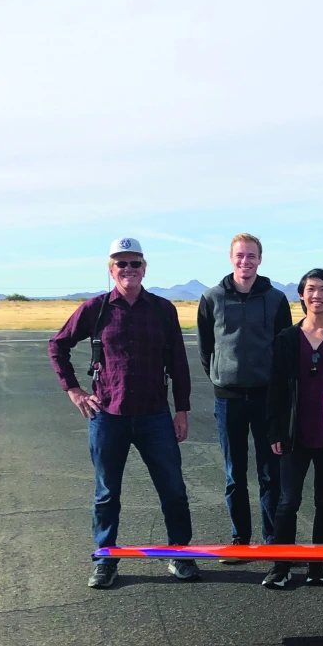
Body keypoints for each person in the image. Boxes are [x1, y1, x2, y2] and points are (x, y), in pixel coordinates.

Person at [49, 237, 199, 588]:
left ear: (145, 268)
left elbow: (178, 362)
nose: (128, 269)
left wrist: (182, 410)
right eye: (121, 264)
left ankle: (180, 553)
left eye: (135, 263)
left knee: (173, 490)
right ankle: (106, 558)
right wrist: (74, 391)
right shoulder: (97, 309)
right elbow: (58, 345)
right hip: (108, 415)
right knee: (106, 493)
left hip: (154, 416)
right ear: (111, 269)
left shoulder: (163, 309)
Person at [197, 233, 292, 554]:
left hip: (266, 398)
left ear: (260, 259)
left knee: (270, 474)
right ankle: (240, 539)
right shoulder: (212, 298)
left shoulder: (276, 299)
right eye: (239, 256)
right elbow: (206, 348)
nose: (245, 262)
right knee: (234, 473)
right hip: (229, 399)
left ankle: (271, 541)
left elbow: (283, 349)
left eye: (251, 256)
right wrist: (221, 376)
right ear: (230, 258)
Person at [263, 269, 323, 588]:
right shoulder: (287, 339)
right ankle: (281, 565)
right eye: (311, 289)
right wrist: (275, 431)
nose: (317, 295)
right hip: (294, 435)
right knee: (287, 501)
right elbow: (275, 389)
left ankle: (318, 565)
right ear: (301, 295)